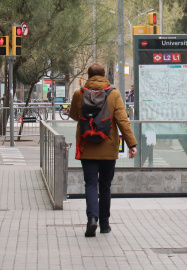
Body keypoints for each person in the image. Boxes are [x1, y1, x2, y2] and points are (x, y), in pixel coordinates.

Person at [70, 63, 138, 237]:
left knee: (91, 184)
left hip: (87, 147)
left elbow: (74, 115)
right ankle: (105, 224)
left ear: (89, 75)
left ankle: (92, 219)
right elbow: (123, 121)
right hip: (108, 148)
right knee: (105, 186)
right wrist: (132, 144)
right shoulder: (114, 94)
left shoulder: (80, 93)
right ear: (104, 75)